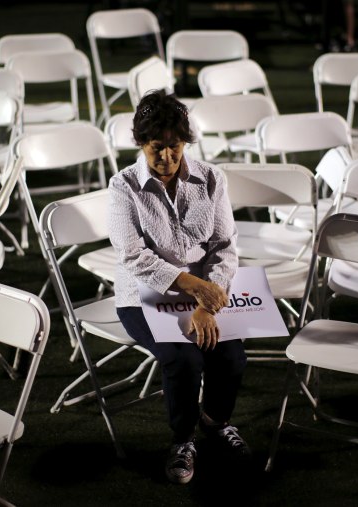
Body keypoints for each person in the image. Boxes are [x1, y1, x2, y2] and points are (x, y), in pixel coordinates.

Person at [108, 89, 249, 485]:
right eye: (157, 148)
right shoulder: (123, 186)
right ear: (140, 143)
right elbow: (133, 256)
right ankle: (183, 439)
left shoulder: (211, 178)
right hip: (143, 295)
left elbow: (224, 247)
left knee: (231, 358)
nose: (167, 158)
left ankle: (214, 421)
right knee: (183, 359)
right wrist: (195, 286)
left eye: (175, 147)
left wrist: (208, 300)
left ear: (186, 142)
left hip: (205, 292)